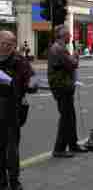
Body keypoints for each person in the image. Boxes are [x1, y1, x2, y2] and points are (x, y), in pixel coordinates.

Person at [0, 31, 37, 190]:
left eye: (9, 44)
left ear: (14, 45)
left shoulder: (20, 61)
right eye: (3, 43)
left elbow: (33, 78)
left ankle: (14, 181)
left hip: (11, 110)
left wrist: (31, 85)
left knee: (11, 148)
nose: (5, 46)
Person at [48, 25, 88, 158]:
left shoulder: (59, 48)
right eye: (68, 34)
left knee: (70, 117)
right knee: (66, 118)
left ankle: (73, 144)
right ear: (62, 35)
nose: (70, 37)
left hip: (64, 86)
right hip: (62, 87)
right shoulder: (59, 49)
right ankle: (59, 149)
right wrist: (76, 56)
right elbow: (72, 64)